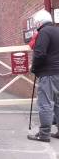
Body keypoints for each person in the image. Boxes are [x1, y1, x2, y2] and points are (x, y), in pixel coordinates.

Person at [28, 9, 59, 142]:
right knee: (58, 103)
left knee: (45, 103)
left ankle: (44, 134)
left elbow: (39, 54)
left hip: (48, 74)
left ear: (39, 22)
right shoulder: (57, 31)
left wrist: (34, 68)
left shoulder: (44, 32)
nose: (35, 25)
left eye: (36, 23)